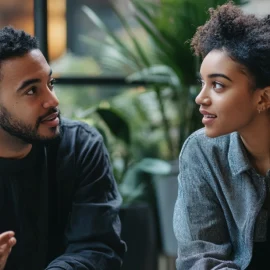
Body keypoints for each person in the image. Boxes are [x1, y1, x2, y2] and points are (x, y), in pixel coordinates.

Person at [0, 26, 126, 270]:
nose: (53, 100)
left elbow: (97, 247)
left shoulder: (80, 147)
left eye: (50, 82)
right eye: (31, 90)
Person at [173, 2, 270, 269]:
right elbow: (199, 257)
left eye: (217, 85)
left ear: (263, 97)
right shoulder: (202, 153)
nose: (200, 98)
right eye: (202, 83)